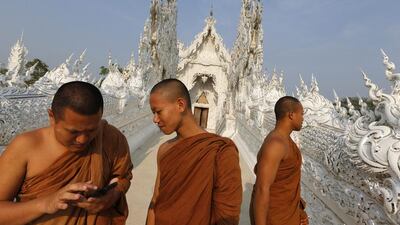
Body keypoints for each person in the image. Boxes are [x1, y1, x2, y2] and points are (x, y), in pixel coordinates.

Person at [0, 81, 133, 225]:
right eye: (73, 131)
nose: (82, 140)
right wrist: (46, 204)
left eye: (91, 130)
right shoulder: (26, 146)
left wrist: (109, 197)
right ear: (52, 117)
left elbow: (122, 178)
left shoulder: (110, 137)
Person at [146, 78, 242, 225]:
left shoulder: (220, 150)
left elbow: (227, 215)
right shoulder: (164, 150)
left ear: (180, 105)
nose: (155, 119)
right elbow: (155, 201)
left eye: (158, 112)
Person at [250, 96, 308, 225]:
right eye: (301, 114)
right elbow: (262, 189)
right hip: (274, 217)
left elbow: (285, 181)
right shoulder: (276, 143)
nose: (303, 118)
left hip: (286, 213)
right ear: (291, 115)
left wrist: (297, 208)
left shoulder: (286, 140)